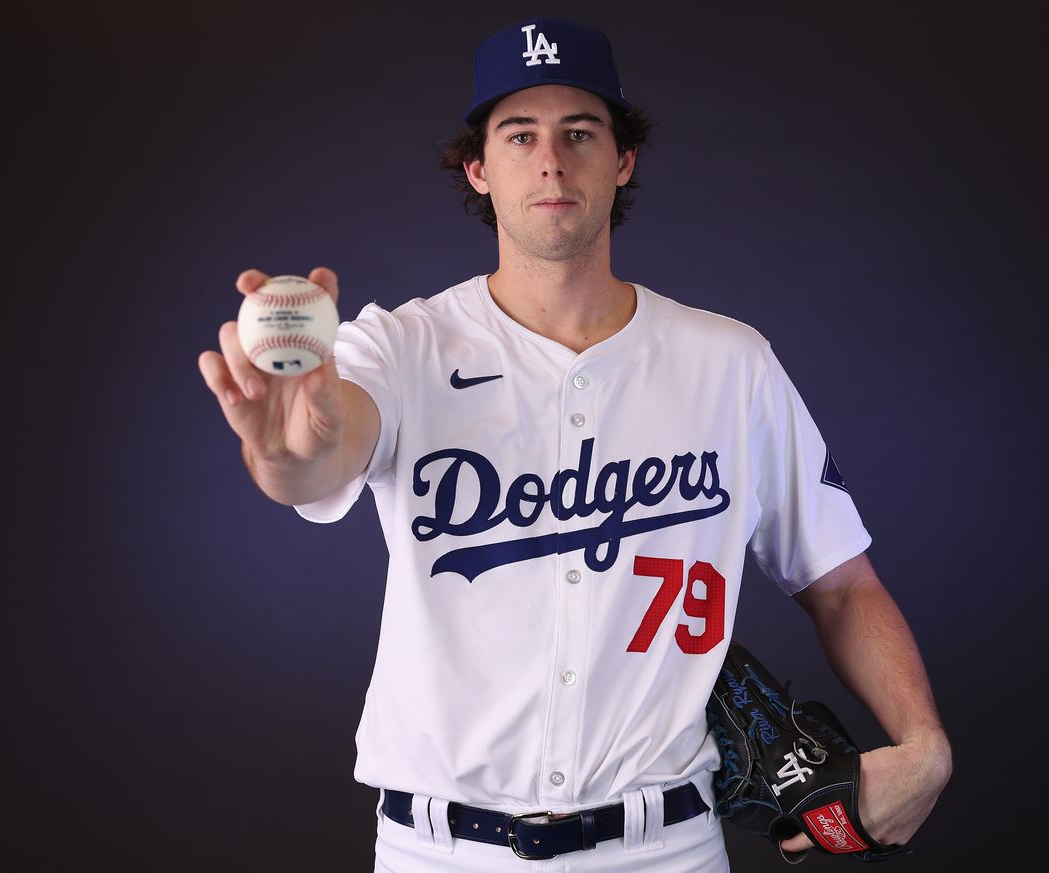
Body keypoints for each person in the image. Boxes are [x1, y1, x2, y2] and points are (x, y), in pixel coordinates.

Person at [198, 16, 951, 873]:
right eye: (519, 135)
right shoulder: (399, 349)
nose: (550, 159)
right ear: (479, 168)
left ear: (621, 160)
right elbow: (317, 457)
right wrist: (285, 449)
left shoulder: (730, 363)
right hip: (441, 853)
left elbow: (844, 581)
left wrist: (925, 742)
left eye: (579, 132)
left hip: (664, 848)